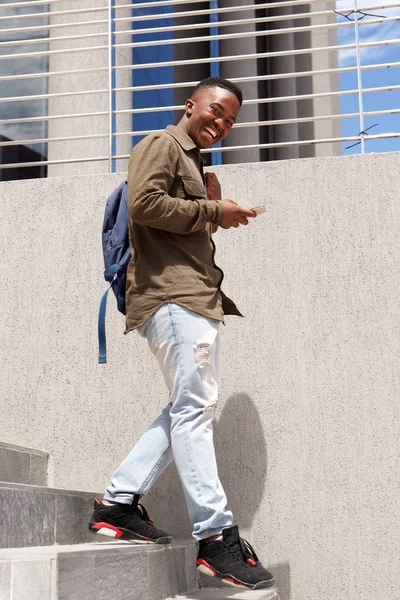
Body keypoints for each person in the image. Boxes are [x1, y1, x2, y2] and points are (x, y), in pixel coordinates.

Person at [89, 77, 275, 591]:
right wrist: (215, 211)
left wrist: (214, 211)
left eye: (231, 121)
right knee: (194, 409)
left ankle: (117, 504)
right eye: (216, 112)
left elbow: (177, 225)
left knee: (185, 407)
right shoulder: (161, 145)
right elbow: (144, 205)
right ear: (190, 105)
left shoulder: (193, 164)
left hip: (192, 299)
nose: (222, 124)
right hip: (172, 300)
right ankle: (216, 541)